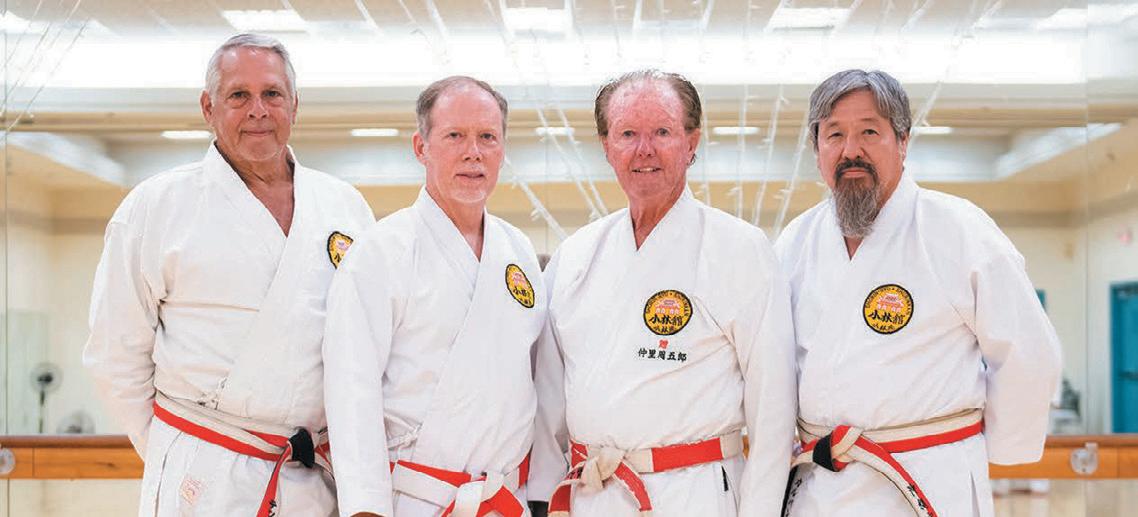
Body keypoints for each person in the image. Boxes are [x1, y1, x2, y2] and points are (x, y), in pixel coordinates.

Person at [83, 33, 374, 517]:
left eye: (272, 94)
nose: (258, 110)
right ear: (208, 107)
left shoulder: (344, 206)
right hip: (204, 468)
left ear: (295, 105)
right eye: (239, 95)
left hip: (315, 473)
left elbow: (366, 342)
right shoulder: (156, 206)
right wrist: (180, 450)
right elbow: (115, 355)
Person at [774, 69, 1063, 517]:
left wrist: (996, 448)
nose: (851, 150)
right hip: (820, 485)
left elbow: (1027, 350)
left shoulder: (958, 229)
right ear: (817, 150)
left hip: (927, 478)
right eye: (834, 134)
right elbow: (773, 362)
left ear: (903, 141)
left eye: (869, 132)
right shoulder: (796, 240)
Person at [529, 69, 797, 516]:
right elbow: (548, 401)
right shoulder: (576, 255)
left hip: (695, 493)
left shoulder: (739, 249)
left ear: (692, 143)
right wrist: (542, 496)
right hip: (592, 496)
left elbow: (773, 409)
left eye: (662, 132)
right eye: (627, 134)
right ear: (606, 147)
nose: (644, 149)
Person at [322, 76, 547, 517]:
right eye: (455, 136)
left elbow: (536, 383)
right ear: (421, 147)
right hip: (415, 499)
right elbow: (351, 389)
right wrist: (367, 508)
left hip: (506, 498)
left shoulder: (518, 250)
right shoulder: (381, 251)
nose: (473, 152)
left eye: (487, 137)